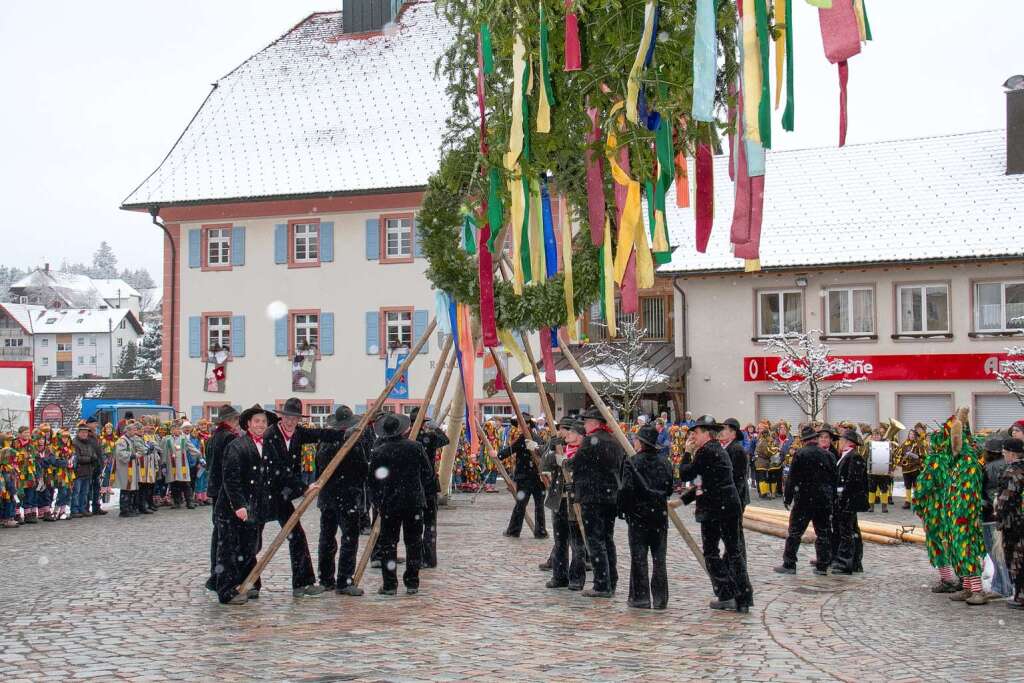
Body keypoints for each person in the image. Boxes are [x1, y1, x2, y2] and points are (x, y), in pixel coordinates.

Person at [262, 397, 342, 598]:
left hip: (283, 495)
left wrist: (346, 434)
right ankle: (247, 583)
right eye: (288, 417)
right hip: (266, 492)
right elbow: (278, 469)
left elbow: (320, 434)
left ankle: (302, 582)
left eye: (295, 418)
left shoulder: (298, 433)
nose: (291, 421)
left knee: (296, 535)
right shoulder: (271, 435)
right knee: (252, 540)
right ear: (282, 417)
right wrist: (304, 487)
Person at [673, 415, 751, 612]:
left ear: (706, 434)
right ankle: (743, 596)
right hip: (727, 505)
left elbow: (686, 474)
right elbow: (703, 482)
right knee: (733, 552)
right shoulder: (717, 450)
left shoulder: (706, 451)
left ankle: (727, 593)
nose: (693, 437)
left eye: (696, 433)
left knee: (712, 553)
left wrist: (687, 453)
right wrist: (683, 501)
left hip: (716, 509)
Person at [214, 405, 275, 605]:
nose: (260, 425)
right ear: (248, 424)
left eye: (263, 422)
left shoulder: (268, 446)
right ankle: (226, 590)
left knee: (250, 548)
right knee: (229, 549)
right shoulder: (237, 445)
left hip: (255, 506)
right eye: (256, 421)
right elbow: (230, 478)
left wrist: (303, 487)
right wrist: (239, 505)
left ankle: (248, 584)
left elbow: (276, 475)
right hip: (232, 508)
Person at [368, 412, 433, 595]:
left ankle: (390, 585)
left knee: (389, 545)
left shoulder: (379, 451)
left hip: (390, 504)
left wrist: (378, 501)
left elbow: (373, 481)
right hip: (413, 502)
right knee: (414, 543)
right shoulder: (416, 447)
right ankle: (412, 582)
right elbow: (428, 474)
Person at [568, 408, 625, 598]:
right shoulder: (615, 441)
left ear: (594, 423)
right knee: (607, 539)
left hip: (592, 497)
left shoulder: (590, 441)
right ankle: (611, 580)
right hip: (610, 497)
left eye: (586, 422)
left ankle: (602, 584)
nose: (584, 425)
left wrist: (563, 461)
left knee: (595, 540)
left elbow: (575, 464)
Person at [316, 405, 371, 596]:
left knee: (327, 539)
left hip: (327, 498)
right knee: (348, 539)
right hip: (346, 498)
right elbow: (362, 470)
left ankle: (325, 578)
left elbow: (319, 469)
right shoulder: (352, 443)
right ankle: (344, 581)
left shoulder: (324, 442)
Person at [621, 423, 674, 609]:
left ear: (641, 443)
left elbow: (626, 490)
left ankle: (640, 597)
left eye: (636, 440)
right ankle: (660, 598)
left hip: (638, 517)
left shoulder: (632, 462)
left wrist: (625, 509)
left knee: (639, 557)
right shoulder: (665, 462)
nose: (634, 442)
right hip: (659, 516)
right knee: (659, 559)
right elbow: (669, 489)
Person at [775, 425, 837, 576]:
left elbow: (792, 479)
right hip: (823, 499)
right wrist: (832, 498)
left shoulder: (800, 454)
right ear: (815, 439)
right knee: (823, 533)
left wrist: (787, 498)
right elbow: (834, 480)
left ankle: (789, 564)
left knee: (795, 532)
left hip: (804, 499)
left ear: (804, 441)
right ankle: (822, 565)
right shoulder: (828, 455)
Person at [541, 418, 587, 591]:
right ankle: (559, 576)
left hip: (575, 501)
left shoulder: (584, 451)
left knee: (577, 543)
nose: (566, 434)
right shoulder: (562, 449)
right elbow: (543, 465)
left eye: (570, 432)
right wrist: (550, 448)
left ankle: (577, 578)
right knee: (560, 541)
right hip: (559, 499)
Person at [204, 405, 240, 592]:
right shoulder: (229, 438)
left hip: (215, 488)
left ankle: (215, 574)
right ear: (230, 421)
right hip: (224, 491)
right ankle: (222, 577)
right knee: (225, 536)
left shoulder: (214, 438)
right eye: (236, 421)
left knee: (218, 533)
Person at [409, 406, 449, 568]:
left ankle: (417, 558)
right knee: (430, 525)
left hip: (413, 486)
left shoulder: (408, 439)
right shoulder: (429, 437)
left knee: (415, 526)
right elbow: (445, 440)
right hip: (428, 485)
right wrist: (436, 428)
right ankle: (429, 558)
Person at [499, 414, 547, 539]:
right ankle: (540, 531)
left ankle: (514, 530)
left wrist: (498, 455)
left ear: (528, 425)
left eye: (521, 424)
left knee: (521, 505)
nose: (519, 426)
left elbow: (511, 450)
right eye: (519, 424)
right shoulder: (534, 436)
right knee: (538, 506)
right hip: (536, 478)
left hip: (528, 477)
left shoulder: (527, 438)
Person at [830, 429, 869, 574]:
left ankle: (846, 563)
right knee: (851, 530)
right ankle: (855, 562)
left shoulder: (854, 456)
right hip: (845, 499)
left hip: (849, 500)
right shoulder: (846, 455)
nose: (839, 442)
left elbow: (853, 481)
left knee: (847, 531)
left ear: (847, 442)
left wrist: (843, 497)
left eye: (841, 440)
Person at [981, 433, 1012, 599]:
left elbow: (987, 492)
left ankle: (1002, 586)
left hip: (990, 515)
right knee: (1002, 551)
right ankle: (1005, 584)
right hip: (1002, 513)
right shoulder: (1007, 465)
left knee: (995, 552)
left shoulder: (989, 467)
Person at [995, 438, 1024, 609]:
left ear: (1012, 453)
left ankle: (1020, 596)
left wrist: (999, 517)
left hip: (1015, 524)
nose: (1003, 455)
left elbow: (1006, 500)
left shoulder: (1012, 471)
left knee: (1016, 559)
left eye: (1005, 452)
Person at [160, 420, 197, 509]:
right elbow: (163, 452)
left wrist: (199, 456)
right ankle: (176, 502)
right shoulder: (167, 439)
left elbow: (192, 448)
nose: (177, 431)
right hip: (171, 465)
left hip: (182, 465)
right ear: (171, 430)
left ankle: (189, 502)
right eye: (175, 429)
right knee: (174, 484)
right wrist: (163, 464)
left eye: (178, 429)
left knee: (185, 483)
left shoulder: (184, 439)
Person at [70, 421, 100, 518]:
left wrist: (94, 459)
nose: (84, 434)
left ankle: (82, 509)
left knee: (85, 492)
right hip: (78, 471)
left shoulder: (88, 443)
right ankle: (74, 510)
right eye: (82, 432)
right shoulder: (74, 443)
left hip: (88, 471)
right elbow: (77, 457)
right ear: (78, 433)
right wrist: (90, 459)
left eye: (86, 432)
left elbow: (93, 454)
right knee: (76, 492)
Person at [114, 421, 142, 518]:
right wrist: (133, 455)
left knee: (130, 489)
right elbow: (120, 454)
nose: (135, 432)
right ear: (128, 430)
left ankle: (129, 508)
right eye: (134, 430)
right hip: (125, 468)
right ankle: (124, 510)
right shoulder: (122, 440)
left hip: (131, 467)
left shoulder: (131, 440)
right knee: (126, 488)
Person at [899, 423, 927, 510]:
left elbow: (923, 455)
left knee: (916, 485)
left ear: (915, 436)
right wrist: (901, 460)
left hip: (915, 468)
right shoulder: (904, 444)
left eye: (913, 434)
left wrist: (915, 456)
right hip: (906, 469)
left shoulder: (918, 444)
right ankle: (907, 502)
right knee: (907, 485)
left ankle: (916, 501)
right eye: (910, 434)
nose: (911, 435)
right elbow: (899, 454)